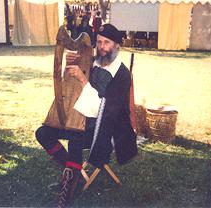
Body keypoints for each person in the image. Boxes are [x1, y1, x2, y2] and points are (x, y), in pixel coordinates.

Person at [35, 24, 138, 208]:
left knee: (76, 134)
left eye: (107, 43)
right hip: (87, 120)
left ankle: (69, 188)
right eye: (99, 42)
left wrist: (83, 80)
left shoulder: (121, 75)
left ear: (117, 46)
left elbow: (104, 111)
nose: (102, 47)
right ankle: (72, 171)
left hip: (109, 129)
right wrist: (71, 61)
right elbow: (79, 70)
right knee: (43, 133)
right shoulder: (95, 61)